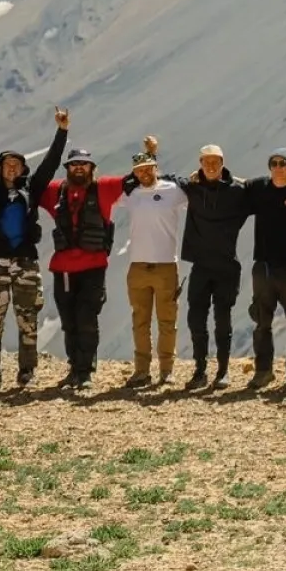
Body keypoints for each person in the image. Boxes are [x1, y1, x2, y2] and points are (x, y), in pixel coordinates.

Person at [0, 105, 67, 389]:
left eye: (17, 164)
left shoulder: (32, 186)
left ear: (22, 169)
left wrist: (62, 131)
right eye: (8, 163)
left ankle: (27, 371)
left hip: (26, 261)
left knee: (27, 318)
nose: (12, 168)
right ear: (1, 165)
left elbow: (52, 163)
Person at [38, 141, 127, 392]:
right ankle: (74, 369)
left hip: (93, 266)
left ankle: (86, 371)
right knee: (69, 321)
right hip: (63, 269)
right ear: (67, 168)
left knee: (87, 318)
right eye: (74, 164)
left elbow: (136, 178)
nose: (79, 168)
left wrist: (150, 153)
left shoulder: (105, 188)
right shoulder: (56, 192)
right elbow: (33, 184)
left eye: (84, 164)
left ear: (92, 168)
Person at [116, 138, 188, 389]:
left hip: (166, 265)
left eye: (148, 168)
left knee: (167, 321)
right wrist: (149, 153)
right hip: (138, 265)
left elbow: (198, 193)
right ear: (134, 173)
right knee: (140, 321)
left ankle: (166, 371)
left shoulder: (173, 190)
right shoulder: (130, 194)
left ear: (156, 167)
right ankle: (141, 371)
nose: (145, 173)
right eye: (139, 170)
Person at [178, 144, 251, 391]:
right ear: (199, 163)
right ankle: (200, 370)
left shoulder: (237, 192)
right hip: (200, 265)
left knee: (223, 319)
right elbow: (164, 180)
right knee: (196, 318)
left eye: (215, 161)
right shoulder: (192, 188)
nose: (210, 166)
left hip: (227, 265)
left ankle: (223, 371)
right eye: (206, 161)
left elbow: (262, 194)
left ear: (223, 163)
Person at [243, 147, 286, 392]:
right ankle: (263, 371)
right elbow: (238, 184)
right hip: (263, 267)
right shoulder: (259, 188)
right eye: (273, 163)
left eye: (283, 163)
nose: (278, 167)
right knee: (262, 320)